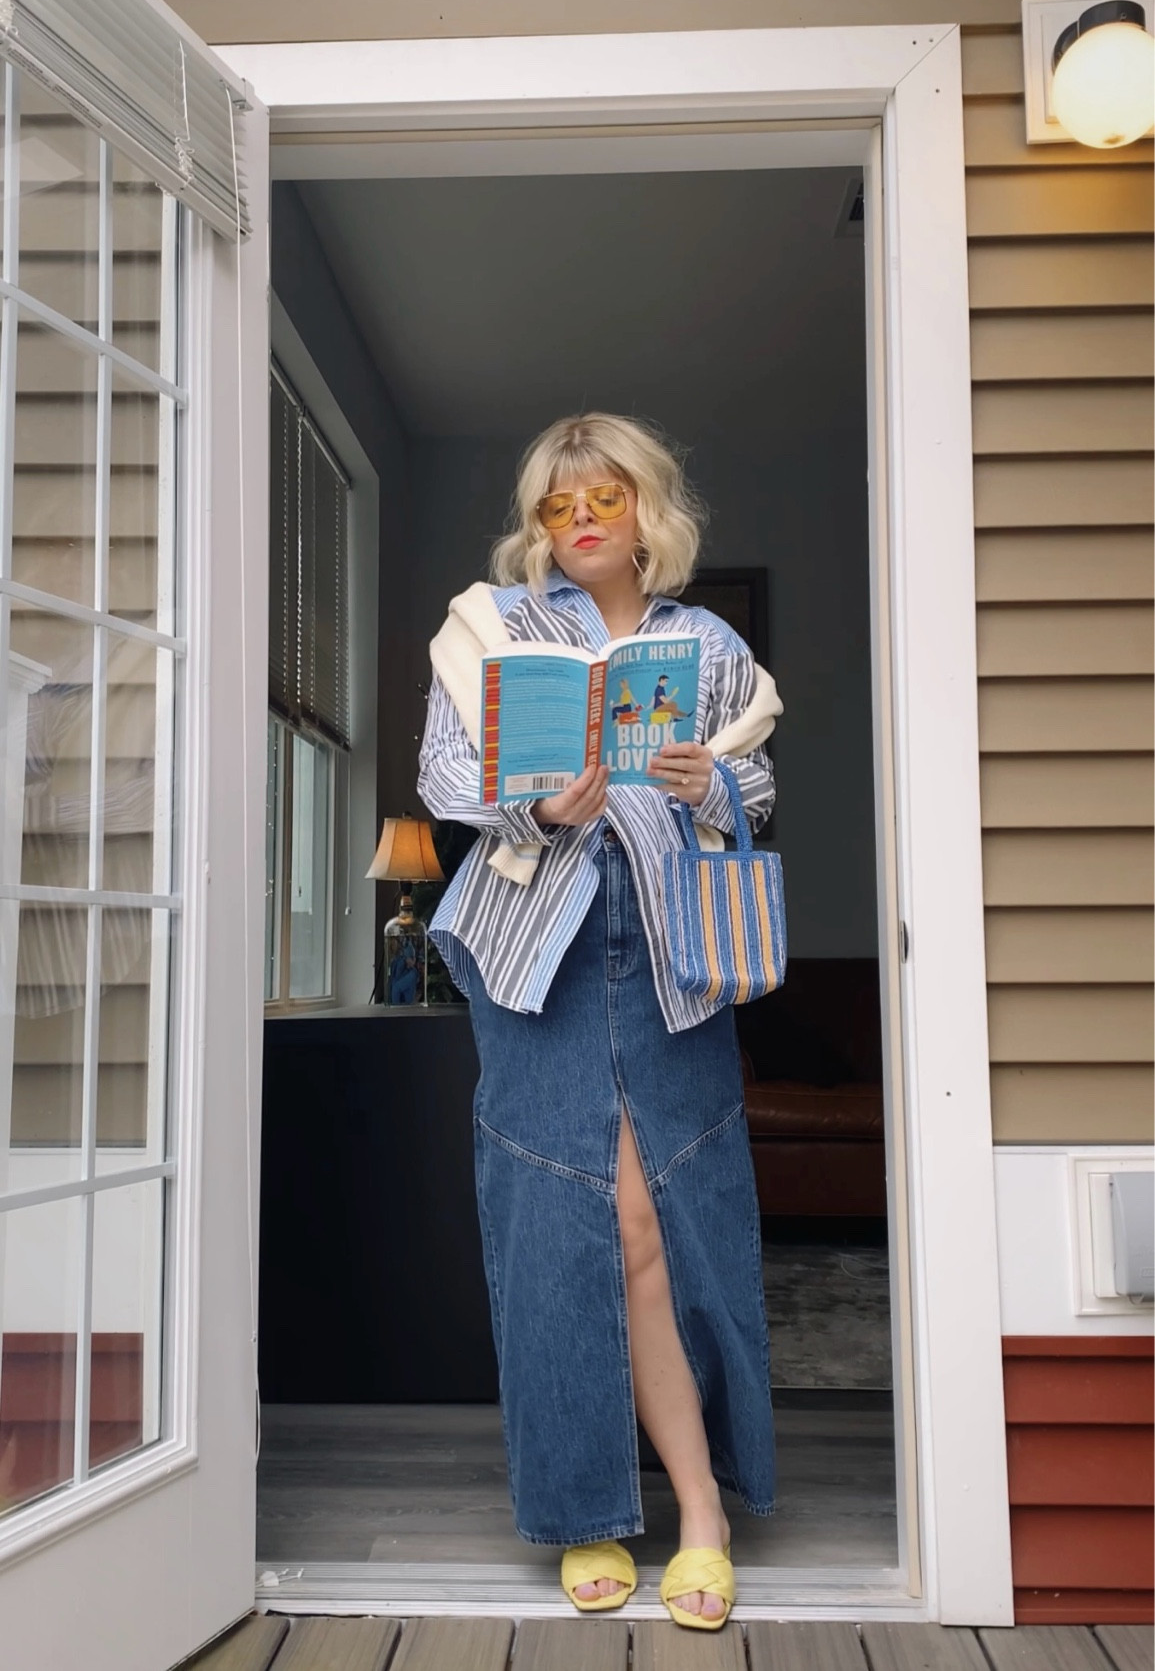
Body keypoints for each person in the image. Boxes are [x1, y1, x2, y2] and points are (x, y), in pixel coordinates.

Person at [417, 412, 779, 1631]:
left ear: (644, 514)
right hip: (542, 958)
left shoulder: (707, 644)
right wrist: (539, 808)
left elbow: (758, 788)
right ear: (539, 526)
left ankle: (704, 1513)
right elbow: (443, 778)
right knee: (560, 1225)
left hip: (672, 951)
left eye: (603, 500)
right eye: (559, 506)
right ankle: (587, 1512)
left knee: (668, 1218)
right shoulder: (502, 633)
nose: (579, 522)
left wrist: (709, 782)